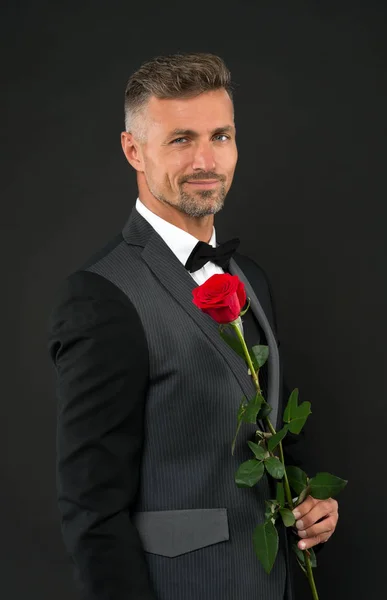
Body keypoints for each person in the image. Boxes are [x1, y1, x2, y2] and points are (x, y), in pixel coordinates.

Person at [47, 52, 339, 600]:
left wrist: (308, 506)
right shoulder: (100, 297)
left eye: (221, 136)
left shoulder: (249, 277)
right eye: (181, 139)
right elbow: (91, 513)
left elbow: (259, 434)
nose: (207, 159)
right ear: (134, 150)